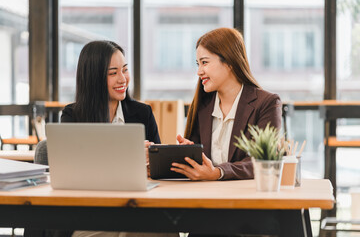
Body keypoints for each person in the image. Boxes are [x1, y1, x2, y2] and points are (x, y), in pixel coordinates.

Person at [60, 40, 176, 237]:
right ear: (93, 78)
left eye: (125, 70)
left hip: (139, 207)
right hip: (92, 212)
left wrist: (152, 161)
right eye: (113, 73)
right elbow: (71, 173)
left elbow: (159, 172)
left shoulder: (142, 113)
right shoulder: (73, 116)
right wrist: (130, 158)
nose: (123, 79)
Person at [172, 27, 282, 181]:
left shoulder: (267, 104)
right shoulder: (202, 106)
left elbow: (263, 161)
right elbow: (199, 168)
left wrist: (218, 172)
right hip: (206, 197)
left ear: (229, 62)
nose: (199, 71)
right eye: (198, 64)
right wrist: (190, 154)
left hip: (246, 198)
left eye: (204, 62)